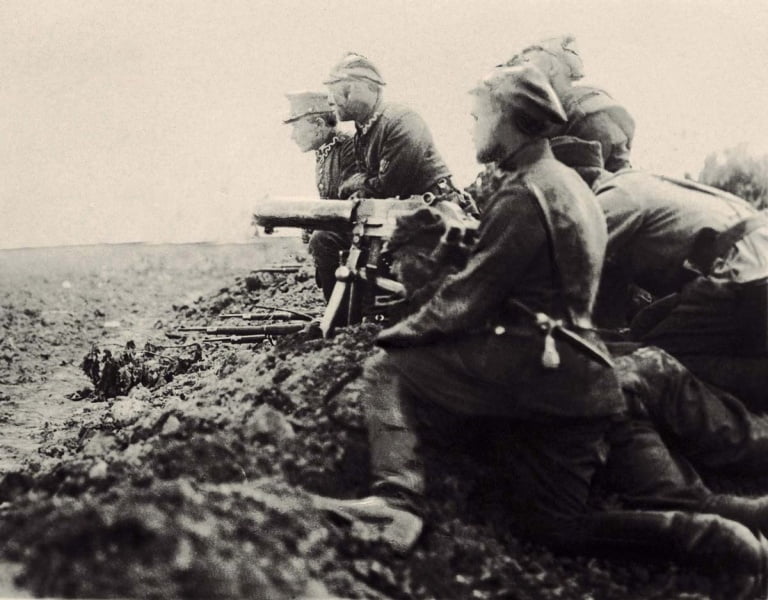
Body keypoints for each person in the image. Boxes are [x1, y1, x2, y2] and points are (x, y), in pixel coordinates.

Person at [312, 65, 768, 595]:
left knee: (387, 370)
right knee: (556, 524)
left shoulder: (525, 193)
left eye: (479, 116)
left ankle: (396, 504)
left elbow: (467, 302)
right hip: (583, 377)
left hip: (539, 370)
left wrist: (391, 334)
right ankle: (719, 539)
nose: (473, 127)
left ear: (509, 121)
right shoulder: (567, 183)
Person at [550, 135, 768, 409]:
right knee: (645, 324)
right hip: (746, 267)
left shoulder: (613, 198)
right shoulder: (637, 182)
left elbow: (559, 263)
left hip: (741, 273)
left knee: (657, 359)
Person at [324, 52, 475, 214]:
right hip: (404, 215)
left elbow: (389, 188)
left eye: (336, 89)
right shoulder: (362, 131)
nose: (330, 100)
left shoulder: (400, 121)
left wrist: (355, 183)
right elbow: (370, 190)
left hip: (437, 214)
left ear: (358, 88)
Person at [506, 35, 635, 173]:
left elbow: (589, 183)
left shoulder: (587, 114)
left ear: (552, 67)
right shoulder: (540, 118)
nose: (519, 71)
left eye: (526, 61)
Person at [283, 91, 357, 300]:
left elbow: (353, 202)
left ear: (317, 124)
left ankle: (339, 318)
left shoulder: (347, 147)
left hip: (364, 230)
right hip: (349, 229)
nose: (293, 135)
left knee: (322, 240)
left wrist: (319, 225)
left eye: (296, 126)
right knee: (319, 237)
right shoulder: (326, 151)